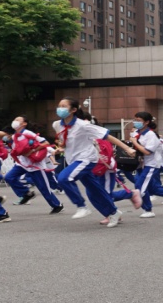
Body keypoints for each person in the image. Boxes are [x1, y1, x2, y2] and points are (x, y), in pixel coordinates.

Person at [52, 97, 138, 227]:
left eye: (64, 106)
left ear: (74, 110)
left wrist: (127, 148)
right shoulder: (57, 124)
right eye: (59, 105)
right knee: (95, 189)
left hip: (86, 159)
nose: (60, 109)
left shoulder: (83, 125)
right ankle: (114, 212)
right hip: (73, 159)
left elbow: (107, 136)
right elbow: (66, 142)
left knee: (64, 178)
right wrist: (60, 149)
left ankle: (81, 206)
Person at [5, 117, 64, 214]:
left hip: (35, 165)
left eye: (18, 120)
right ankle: (26, 193)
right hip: (22, 164)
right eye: (15, 119)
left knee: (43, 187)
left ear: (24, 123)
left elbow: (45, 143)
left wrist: (32, 151)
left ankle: (57, 205)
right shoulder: (14, 136)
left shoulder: (28, 133)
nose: (15, 121)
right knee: (9, 177)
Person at [129, 112, 163, 218]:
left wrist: (134, 142)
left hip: (150, 165)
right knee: (153, 189)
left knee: (139, 187)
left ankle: (148, 210)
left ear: (147, 122)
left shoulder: (151, 135)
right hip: (140, 164)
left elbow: (148, 151)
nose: (136, 122)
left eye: (138, 120)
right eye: (135, 120)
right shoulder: (136, 133)